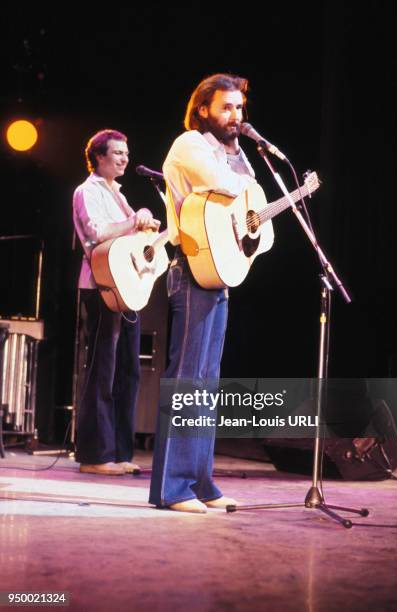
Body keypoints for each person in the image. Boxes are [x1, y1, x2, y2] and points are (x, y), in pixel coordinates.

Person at [149, 74, 256, 512]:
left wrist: (237, 151)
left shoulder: (233, 149)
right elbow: (229, 186)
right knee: (188, 380)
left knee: (207, 385)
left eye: (239, 108)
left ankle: (201, 482)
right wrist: (232, 154)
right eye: (226, 108)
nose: (235, 116)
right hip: (190, 268)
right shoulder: (190, 144)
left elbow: (253, 192)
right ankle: (172, 488)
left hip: (216, 271)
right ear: (204, 110)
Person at [73, 129, 156, 475]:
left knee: (129, 371)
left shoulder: (118, 193)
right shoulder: (86, 191)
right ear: (100, 157)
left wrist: (146, 221)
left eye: (126, 152)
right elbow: (95, 233)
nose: (124, 158)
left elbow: (130, 236)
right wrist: (131, 221)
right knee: (103, 371)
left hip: (126, 287)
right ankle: (95, 455)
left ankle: (120, 451)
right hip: (102, 286)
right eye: (118, 153)